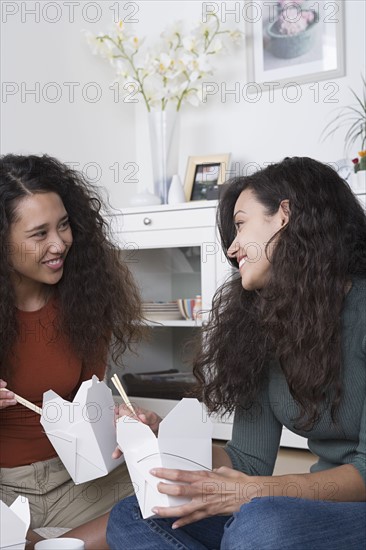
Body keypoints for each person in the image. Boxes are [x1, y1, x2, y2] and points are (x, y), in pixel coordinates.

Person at [107, 157, 366, 549]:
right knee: (134, 515)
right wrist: (165, 440)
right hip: (306, 508)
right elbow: (246, 461)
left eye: (241, 224)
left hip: (355, 507)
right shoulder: (264, 328)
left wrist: (256, 493)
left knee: (260, 523)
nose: (231, 248)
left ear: (285, 214)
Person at [0, 153, 146, 549]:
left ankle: (44, 544)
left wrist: (122, 423)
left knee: (183, 476)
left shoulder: (84, 302)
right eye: (39, 233)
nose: (59, 243)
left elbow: (88, 407)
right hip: (3, 487)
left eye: (63, 225)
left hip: (74, 480)